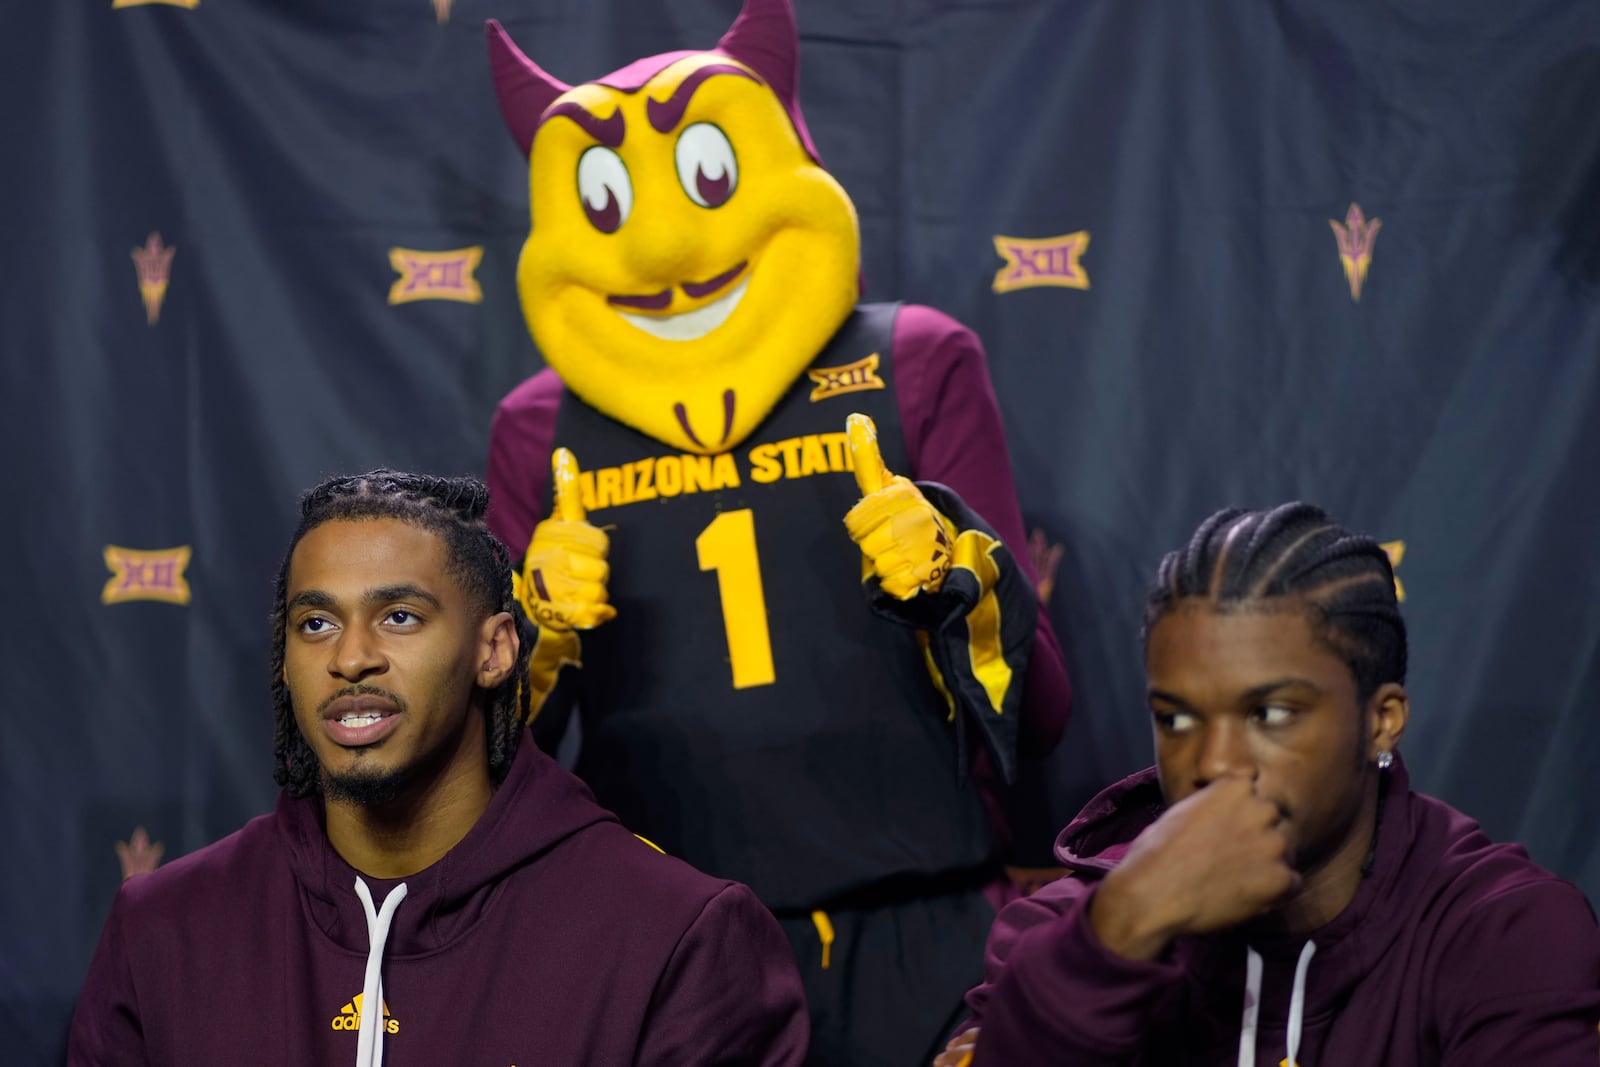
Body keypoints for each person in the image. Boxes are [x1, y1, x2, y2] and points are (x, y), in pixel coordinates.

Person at [482, 1, 1072, 1062]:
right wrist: (532, 636)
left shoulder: (911, 361)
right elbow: (486, 778)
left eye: (706, 176)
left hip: (922, 927)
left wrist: (952, 572)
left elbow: (1044, 713)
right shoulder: (541, 426)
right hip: (676, 953)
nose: (664, 243)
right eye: (609, 199)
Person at [68, 470, 809, 1066]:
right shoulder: (162, 929)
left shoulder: (675, 936)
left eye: (399, 616)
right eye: (316, 622)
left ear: (495, 651)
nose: (351, 657)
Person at [939, 502, 1600, 1066]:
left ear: (1382, 721)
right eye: (1177, 717)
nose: (1215, 762)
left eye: (1271, 713)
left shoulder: (1498, 931)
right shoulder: (1063, 928)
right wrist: (1121, 929)